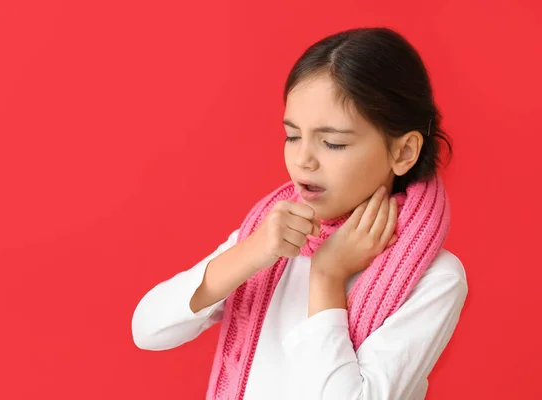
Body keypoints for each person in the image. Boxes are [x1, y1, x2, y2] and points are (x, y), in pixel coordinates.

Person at [131, 27, 468, 400]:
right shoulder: (274, 234)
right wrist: (253, 250)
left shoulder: (434, 278)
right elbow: (149, 330)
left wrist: (327, 275)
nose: (303, 160)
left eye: (333, 142)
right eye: (292, 136)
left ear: (403, 152)